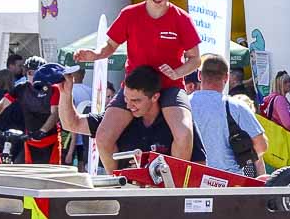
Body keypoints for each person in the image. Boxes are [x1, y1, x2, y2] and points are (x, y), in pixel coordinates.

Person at [75, 0, 201, 170]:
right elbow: (110, 47)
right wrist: (95, 55)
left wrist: (177, 71)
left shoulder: (181, 19)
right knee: (103, 137)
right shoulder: (129, 14)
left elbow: (195, 59)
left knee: (184, 133)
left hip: (169, 85)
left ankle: (177, 188)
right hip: (133, 87)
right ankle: (119, 182)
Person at [56, 64, 206, 162]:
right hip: (126, 199)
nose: (129, 105)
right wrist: (65, 93)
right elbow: (71, 124)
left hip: (165, 201)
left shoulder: (175, 122)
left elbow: (200, 163)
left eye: (136, 100)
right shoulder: (118, 120)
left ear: (155, 97)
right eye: (125, 98)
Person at [190, 55, 268, 176]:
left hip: (192, 178)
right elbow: (261, 145)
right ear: (226, 77)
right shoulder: (237, 106)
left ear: (199, 75)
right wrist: (241, 155)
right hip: (229, 181)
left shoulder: (184, 105)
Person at [0, 57, 62, 165]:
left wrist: (42, 131)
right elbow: (1, 105)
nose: (34, 76)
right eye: (30, 73)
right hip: (30, 140)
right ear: (26, 73)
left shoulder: (53, 89)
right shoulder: (21, 88)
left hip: (50, 140)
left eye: (38, 73)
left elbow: (55, 113)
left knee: (51, 176)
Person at [261, 70, 290, 135]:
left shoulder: (274, 99)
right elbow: (288, 124)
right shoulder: (280, 100)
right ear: (279, 84)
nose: (289, 84)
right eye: (285, 82)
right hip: (286, 138)